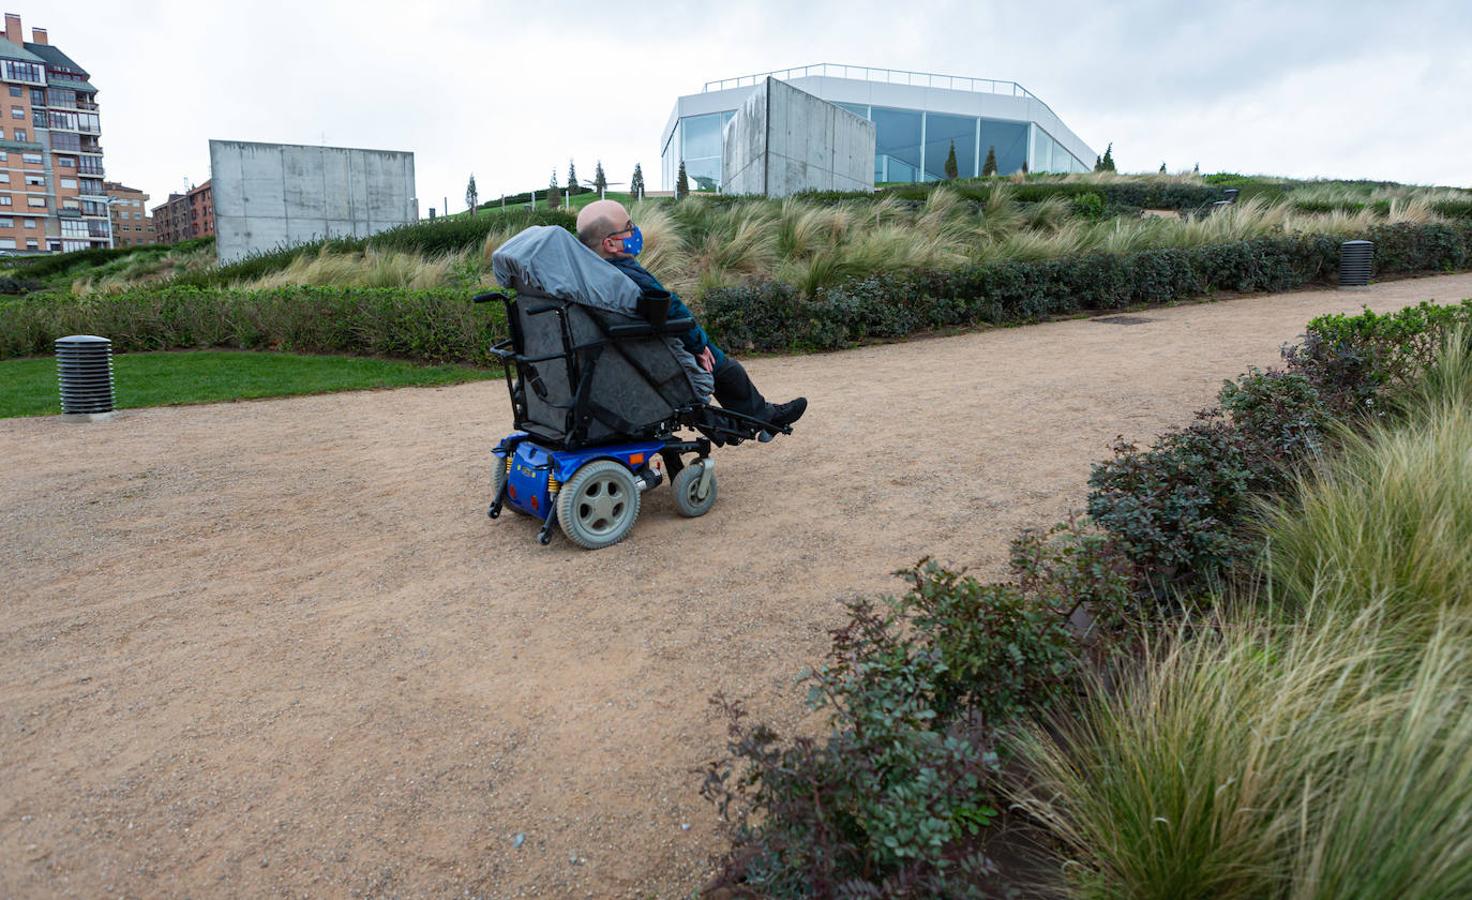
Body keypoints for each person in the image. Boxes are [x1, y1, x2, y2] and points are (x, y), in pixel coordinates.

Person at [575, 199, 807, 430]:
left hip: (621, 353)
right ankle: (763, 418)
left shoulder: (591, 275)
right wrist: (698, 344)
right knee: (725, 367)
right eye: (628, 227)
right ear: (611, 244)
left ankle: (761, 415)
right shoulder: (627, 276)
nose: (635, 231)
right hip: (656, 351)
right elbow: (671, 308)